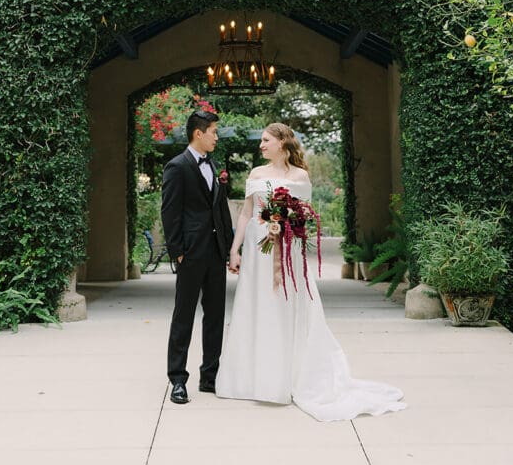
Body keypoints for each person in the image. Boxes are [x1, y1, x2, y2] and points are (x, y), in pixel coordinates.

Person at [216, 122, 406, 421]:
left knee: (286, 305)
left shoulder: (300, 176)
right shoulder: (255, 174)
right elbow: (245, 213)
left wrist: (287, 220)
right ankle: (255, 377)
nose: (261, 146)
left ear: (281, 143)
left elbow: (303, 214)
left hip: (288, 248)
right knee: (258, 306)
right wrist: (234, 249)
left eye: (266, 140)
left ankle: (288, 375)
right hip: (258, 248)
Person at [161, 108, 233, 404]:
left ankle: (209, 376)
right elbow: (169, 212)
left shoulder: (213, 164)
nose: (217, 136)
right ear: (198, 133)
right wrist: (177, 252)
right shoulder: (177, 166)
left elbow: (219, 208)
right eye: (214, 131)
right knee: (184, 316)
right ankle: (178, 379)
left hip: (215, 254)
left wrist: (228, 249)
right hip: (190, 254)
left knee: (215, 316)